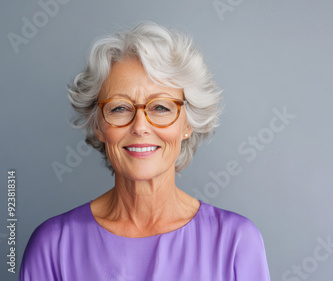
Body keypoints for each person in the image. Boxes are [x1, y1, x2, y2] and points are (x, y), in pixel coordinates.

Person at [19, 21, 271, 281]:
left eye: (161, 107)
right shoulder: (52, 246)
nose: (140, 127)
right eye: (119, 108)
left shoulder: (236, 243)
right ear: (98, 125)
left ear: (187, 124)